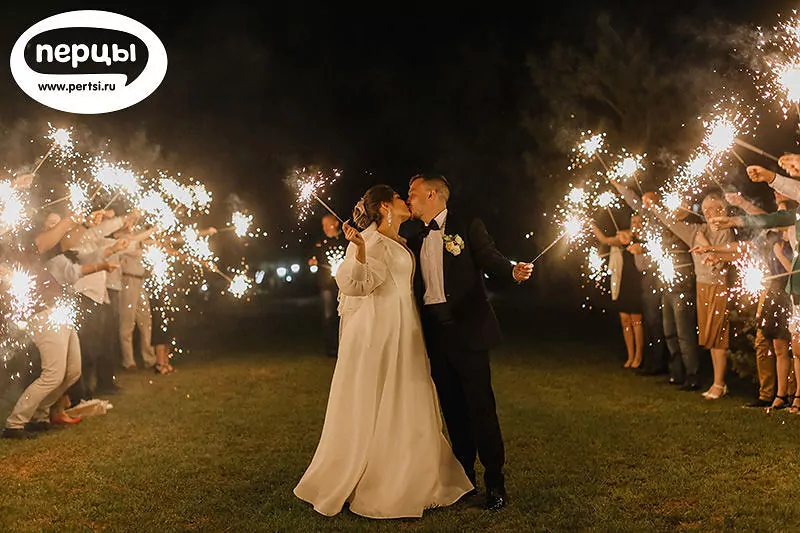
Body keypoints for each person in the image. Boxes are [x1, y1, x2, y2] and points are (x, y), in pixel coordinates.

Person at [294, 185, 474, 519]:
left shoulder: (401, 239)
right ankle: (382, 478)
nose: (406, 200)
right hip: (382, 329)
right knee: (384, 395)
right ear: (385, 207)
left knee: (408, 393)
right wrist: (360, 250)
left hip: (406, 324)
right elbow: (355, 285)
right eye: (399, 197)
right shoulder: (370, 240)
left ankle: (416, 472)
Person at [404, 174, 533, 511]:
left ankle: (495, 482)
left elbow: (490, 257)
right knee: (452, 409)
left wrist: (512, 270)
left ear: (432, 194)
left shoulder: (467, 225)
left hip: (469, 332)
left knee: (481, 408)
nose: (408, 199)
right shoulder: (413, 237)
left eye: (413, 193)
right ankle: (464, 480)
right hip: (435, 336)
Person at [308, 214, 346, 357]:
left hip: (345, 285)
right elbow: (312, 258)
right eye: (323, 225)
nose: (324, 228)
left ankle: (345, 346)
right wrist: (312, 262)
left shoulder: (345, 240)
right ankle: (330, 347)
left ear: (336, 223)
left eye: (327, 224)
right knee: (328, 316)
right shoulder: (320, 243)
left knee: (345, 315)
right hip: (327, 286)